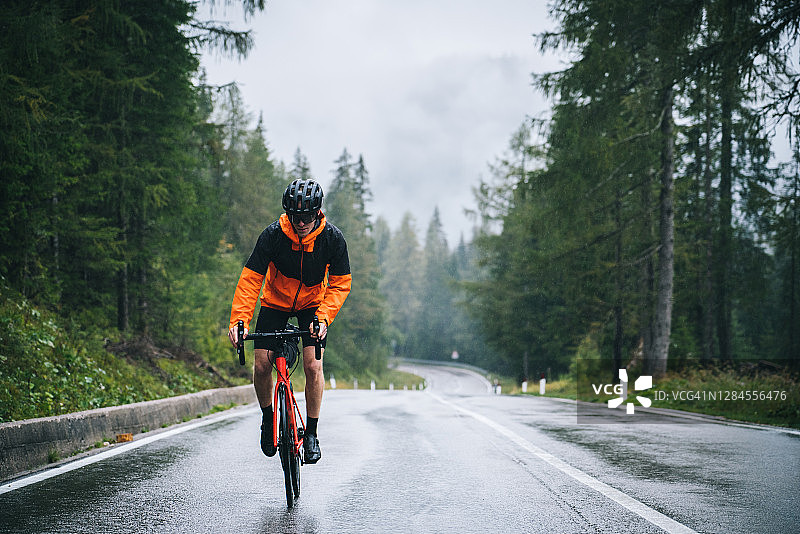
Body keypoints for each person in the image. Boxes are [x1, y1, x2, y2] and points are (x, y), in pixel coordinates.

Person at [228, 178, 351, 464]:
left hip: (313, 305)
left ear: (317, 213)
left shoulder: (332, 239)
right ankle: (268, 419)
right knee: (261, 365)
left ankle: (311, 433)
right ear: (288, 214)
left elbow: (341, 283)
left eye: (307, 216)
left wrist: (323, 318)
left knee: (312, 365)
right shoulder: (273, 235)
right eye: (296, 217)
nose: (301, 222)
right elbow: (251, 280)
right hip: (275, 302)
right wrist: (240, 320)